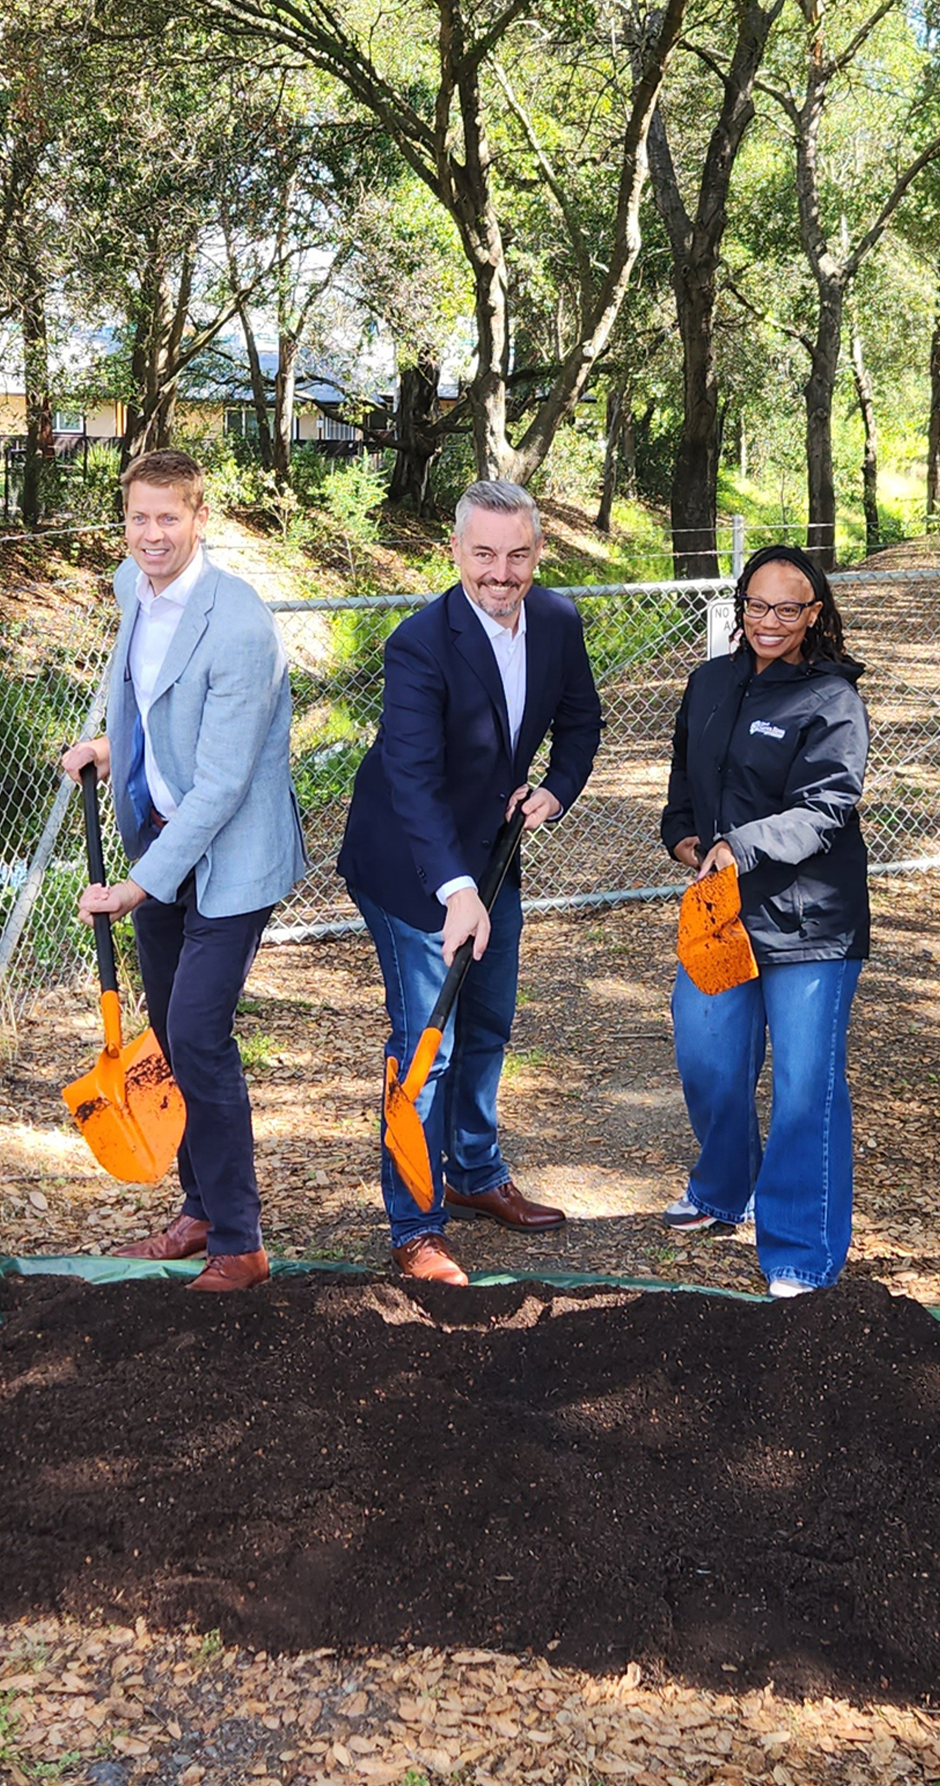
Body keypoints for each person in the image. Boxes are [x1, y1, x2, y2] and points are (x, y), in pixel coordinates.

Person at [338, 479, 603, 1284]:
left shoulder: (557, 621)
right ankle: (416, 1226)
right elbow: (412, 782)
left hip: (493, 855)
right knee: (428, 1046)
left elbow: (582, 720)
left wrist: (558, 788)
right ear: (456, 552)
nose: (501, 572)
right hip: (411, 863)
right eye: (484, 554)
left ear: (536, 553)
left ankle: (475, 1175)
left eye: (517, 554)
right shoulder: (420, 644)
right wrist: (453, 891)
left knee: (487, 1025)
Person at [61, 448, 308, 1293]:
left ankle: (240, 1242)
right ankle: (197, 1209)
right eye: (139, 518)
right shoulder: (134, 588)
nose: (152, 534)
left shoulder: (239, 624)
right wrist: (105, 745)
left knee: (199, 1033)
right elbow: (141, 700)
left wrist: (138, 884)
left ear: (201, 517)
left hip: (228, 853)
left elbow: (225, 782)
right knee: (167, 1033)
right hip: (159, 838)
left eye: (169, 517)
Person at [660, 546, 871, 1297]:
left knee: (806, 1088)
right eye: (757, 605)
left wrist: (736, 846)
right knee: (709, 1060)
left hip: (813, 920)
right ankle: (725, 1189)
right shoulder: (709, 683)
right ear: (739, 604)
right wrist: (682, 832)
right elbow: (686, 775)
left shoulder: (831, 700)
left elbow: (825, 810)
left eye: (788, 608)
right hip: (724, 916)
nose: (769, 621)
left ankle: (800, 1255)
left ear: (814, 615)